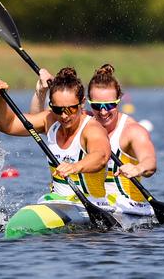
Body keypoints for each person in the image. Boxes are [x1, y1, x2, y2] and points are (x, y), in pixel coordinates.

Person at [31, 64, 157, 216]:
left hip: (127, 211)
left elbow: (150, 162)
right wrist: (42, 91)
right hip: (90, 205)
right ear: (87, 102)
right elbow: (38, 124)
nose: (103, 112)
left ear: (119, 100)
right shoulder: (80, 120)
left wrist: (138, 168)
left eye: (109, 105)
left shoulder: (132, 131)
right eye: (97, 106)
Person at [0, 67, 112, 209]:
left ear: (82, 103)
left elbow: (101, 156)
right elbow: (7, 125)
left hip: (94, 205)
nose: (64, 116)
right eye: (58, 109)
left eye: (71, 109)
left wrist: (75, 167)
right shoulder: (50, 120)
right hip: (58, 202)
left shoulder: (92, 129)